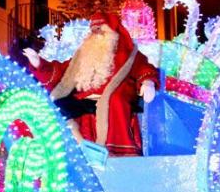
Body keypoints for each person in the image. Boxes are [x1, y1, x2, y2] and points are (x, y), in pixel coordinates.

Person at [23, 12, 158, 156]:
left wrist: (148, 82)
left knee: (115, 100)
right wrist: (39, 64)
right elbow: (62, 71)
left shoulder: (129, 53)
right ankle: (82, 145)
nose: (97, 34)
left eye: (101, 29)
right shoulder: (84, 53)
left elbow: (144, 68)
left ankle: (116, 151)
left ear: (113, 31)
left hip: (113, 95)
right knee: (58, 104)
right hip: (85, 98)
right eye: (94, 30)